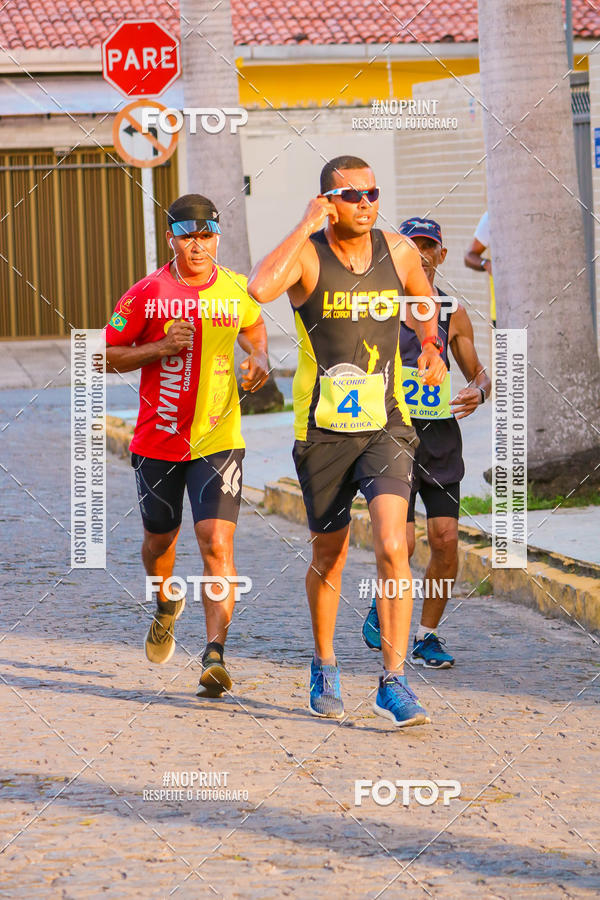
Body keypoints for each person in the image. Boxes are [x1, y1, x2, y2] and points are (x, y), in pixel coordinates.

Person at [248, 156, 447, 727]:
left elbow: (422, 298)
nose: (366, 203)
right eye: (351, 195)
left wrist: (429, 343)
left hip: (386, 423)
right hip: (322, 431)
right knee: (329, 555)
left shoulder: (399, 251)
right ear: (329, 202)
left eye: (372, 193)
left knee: (393, 546)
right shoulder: (309, 254)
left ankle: (394, 681)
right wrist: (305, 223)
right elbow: (261, 288)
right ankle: (324, 664)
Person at [104, 193, 268, 697]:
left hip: (219, 439)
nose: (198, 246)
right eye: (187, 236)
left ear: (216, 237)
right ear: (171, 236)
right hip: (157, 441)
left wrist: (259, 356)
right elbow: (104, 354)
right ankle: (164, 602)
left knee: (216, 542)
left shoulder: (237, 288)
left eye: (207, 236)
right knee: (160, 542)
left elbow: (255, 328)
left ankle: (214, 655)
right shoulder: (145, 294)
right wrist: (161, 348)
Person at [363, 216, 491, 667]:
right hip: (389, 432)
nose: (420, 254)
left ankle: (427, 635)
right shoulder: (377, 305)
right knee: (403, 542)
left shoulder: (451, 311)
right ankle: (383, 606)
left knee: (445, 539)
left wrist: (479, 389)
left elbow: (479, 371)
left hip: (438, 437)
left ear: (441, 253)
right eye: (410, 245)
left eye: (428, 246)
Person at [464, 210, 496, 327]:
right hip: (504, 311)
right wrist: (487, 264)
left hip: (544, 310)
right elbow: (469, 256)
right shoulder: (492, 216)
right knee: (511, 346)